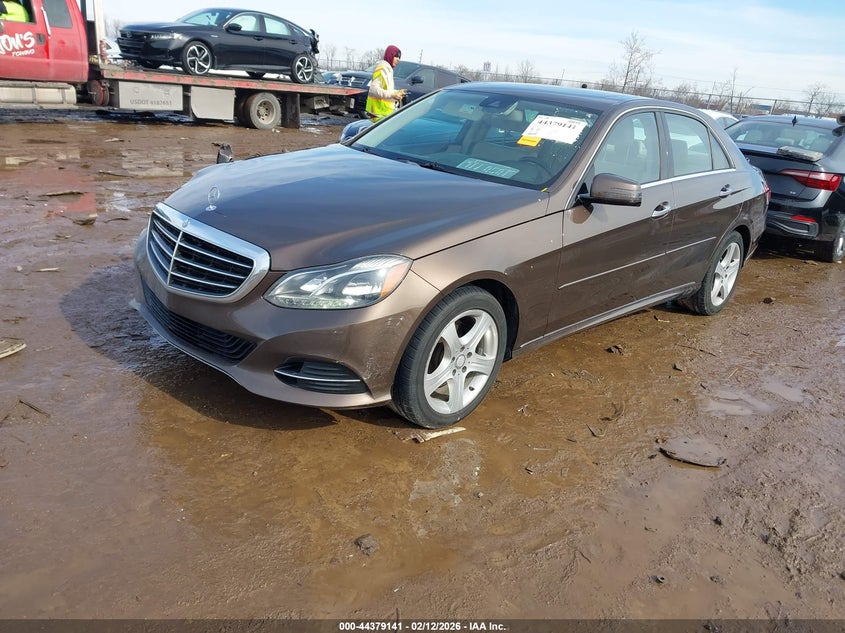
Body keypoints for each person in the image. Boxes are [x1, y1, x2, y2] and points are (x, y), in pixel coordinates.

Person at [365, 45, 407, 121]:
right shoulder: (383, 69)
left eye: (399, 58)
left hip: (383, 113)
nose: (398, 60)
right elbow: (373, 89)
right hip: (378, 113)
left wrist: (397, 93)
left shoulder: (388, 69)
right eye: (396, 56)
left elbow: (385, 89)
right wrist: (392, 95)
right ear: (390, 55)